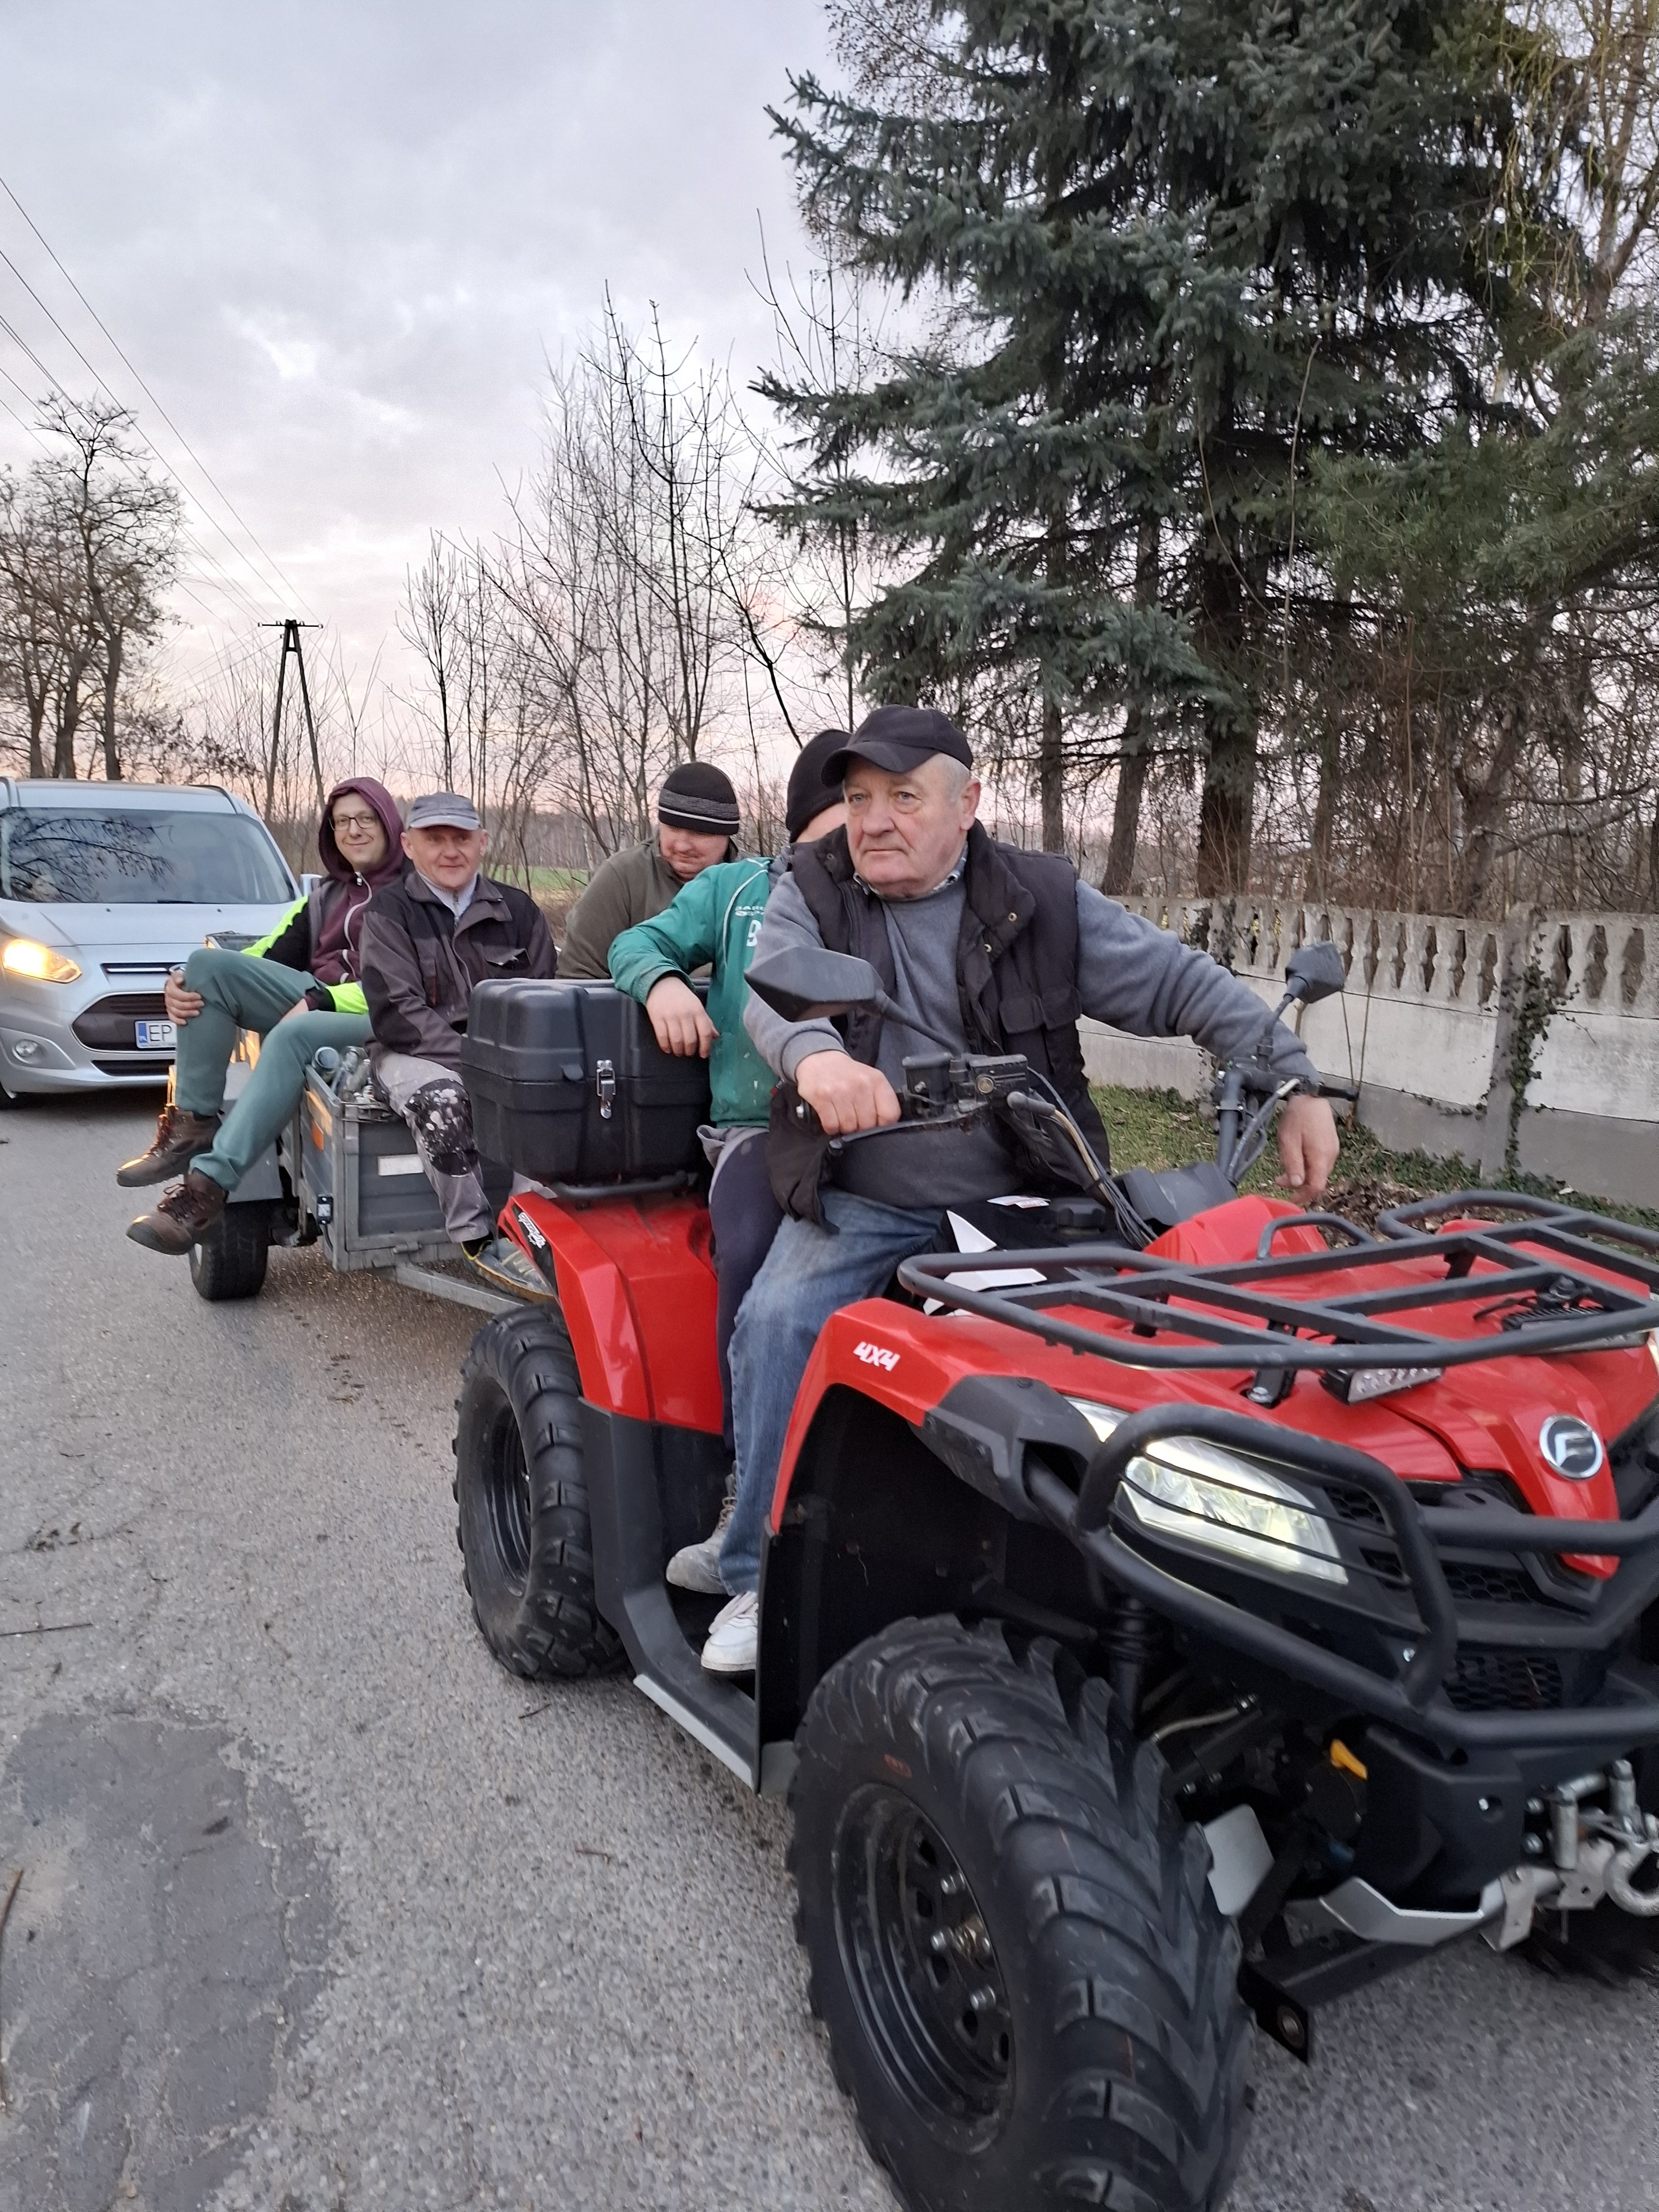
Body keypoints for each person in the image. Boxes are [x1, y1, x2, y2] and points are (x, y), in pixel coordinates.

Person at [696, 705, 1342, 1676]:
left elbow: (1178, 982)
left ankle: (1173, 1571)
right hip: (866, 1192)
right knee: (781, 1320)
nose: (874, 820)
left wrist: (1290, 1076)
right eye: (860, 799)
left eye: (903, 796)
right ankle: (758, 1569)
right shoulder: (812, 887)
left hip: (1029, 1192)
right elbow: (772, 991)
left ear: (968, 804)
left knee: (1165, 1337)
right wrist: (818, 1061)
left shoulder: (1040, 899)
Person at [606, 730, 850, 1591]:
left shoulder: (889, 896)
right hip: (758, 1128)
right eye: (838, 821)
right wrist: (665, 983)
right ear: (798, 826)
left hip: (874, 1129)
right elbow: (634, 945)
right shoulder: (735, 889)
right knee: (751, 1250)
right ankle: (744, 1486)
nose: (856, 840)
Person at [121, 779, 406, 1255]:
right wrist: (182, 981)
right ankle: (192, 1126)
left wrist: (324, 999)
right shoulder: (325, 898)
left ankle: (207, 1188)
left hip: (386, 1014)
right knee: (206, 967)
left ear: (390, 823)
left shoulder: (417, 893)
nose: (353, 830)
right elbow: (259, 959)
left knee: (295, 1032)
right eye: (342, 822)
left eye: (365, 819)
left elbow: (409, 986)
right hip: (318, 1000)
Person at [357, 791, 558, 1295]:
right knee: (443, 1100)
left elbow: (545, 999)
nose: (451, 851)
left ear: (483, 843)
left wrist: (518, 1063)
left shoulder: (518, 911)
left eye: (462, 839)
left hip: (503, 1054)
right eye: (435, 839)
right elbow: (398, 1013)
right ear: (409, 845)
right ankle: (475, 1238)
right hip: (410, 1052)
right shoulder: (388, 912)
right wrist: (477, 1063)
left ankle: (528, 1226)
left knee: (557, 1093)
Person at [556, 761, 741, 979]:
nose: (682, 846)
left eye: (700, 833)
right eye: (673, 828)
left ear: (726, 835)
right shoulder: (622, 877)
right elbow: (578, 977)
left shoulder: (756, 882)